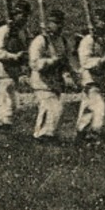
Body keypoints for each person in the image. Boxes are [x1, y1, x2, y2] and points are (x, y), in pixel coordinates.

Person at [28, 8, 72, 144]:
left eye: (60, 23)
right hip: (42, 82)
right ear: (49, 23)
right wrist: (52, 61)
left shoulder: (62, 41)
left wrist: (68, 74)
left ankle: (50, 135)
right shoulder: (40, 41)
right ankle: (41, 135)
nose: (58, 26)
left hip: (55, 82)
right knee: (50, 108)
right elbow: (35, 63)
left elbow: (67, 61)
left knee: (57, 109)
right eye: (55, 23)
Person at [0, 0, 31, 132]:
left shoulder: (21, 31)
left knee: (6, 98)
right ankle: (5, 125)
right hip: (4, 68)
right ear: (15, 14)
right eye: (21, 15)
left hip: (14, 69)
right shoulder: (4, 30)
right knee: (8, 100)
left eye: (26, 15)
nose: (24, 18)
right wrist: (13, 56)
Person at [74, 8, 105, 143]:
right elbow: (85, 62)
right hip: (89, 79)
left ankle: (80, 134)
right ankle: (95, 133)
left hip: (100, 78)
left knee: (88, 108)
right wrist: (100, 60)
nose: (103, 24)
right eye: (100, 21)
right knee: (99, 105)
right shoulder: (88, 40)